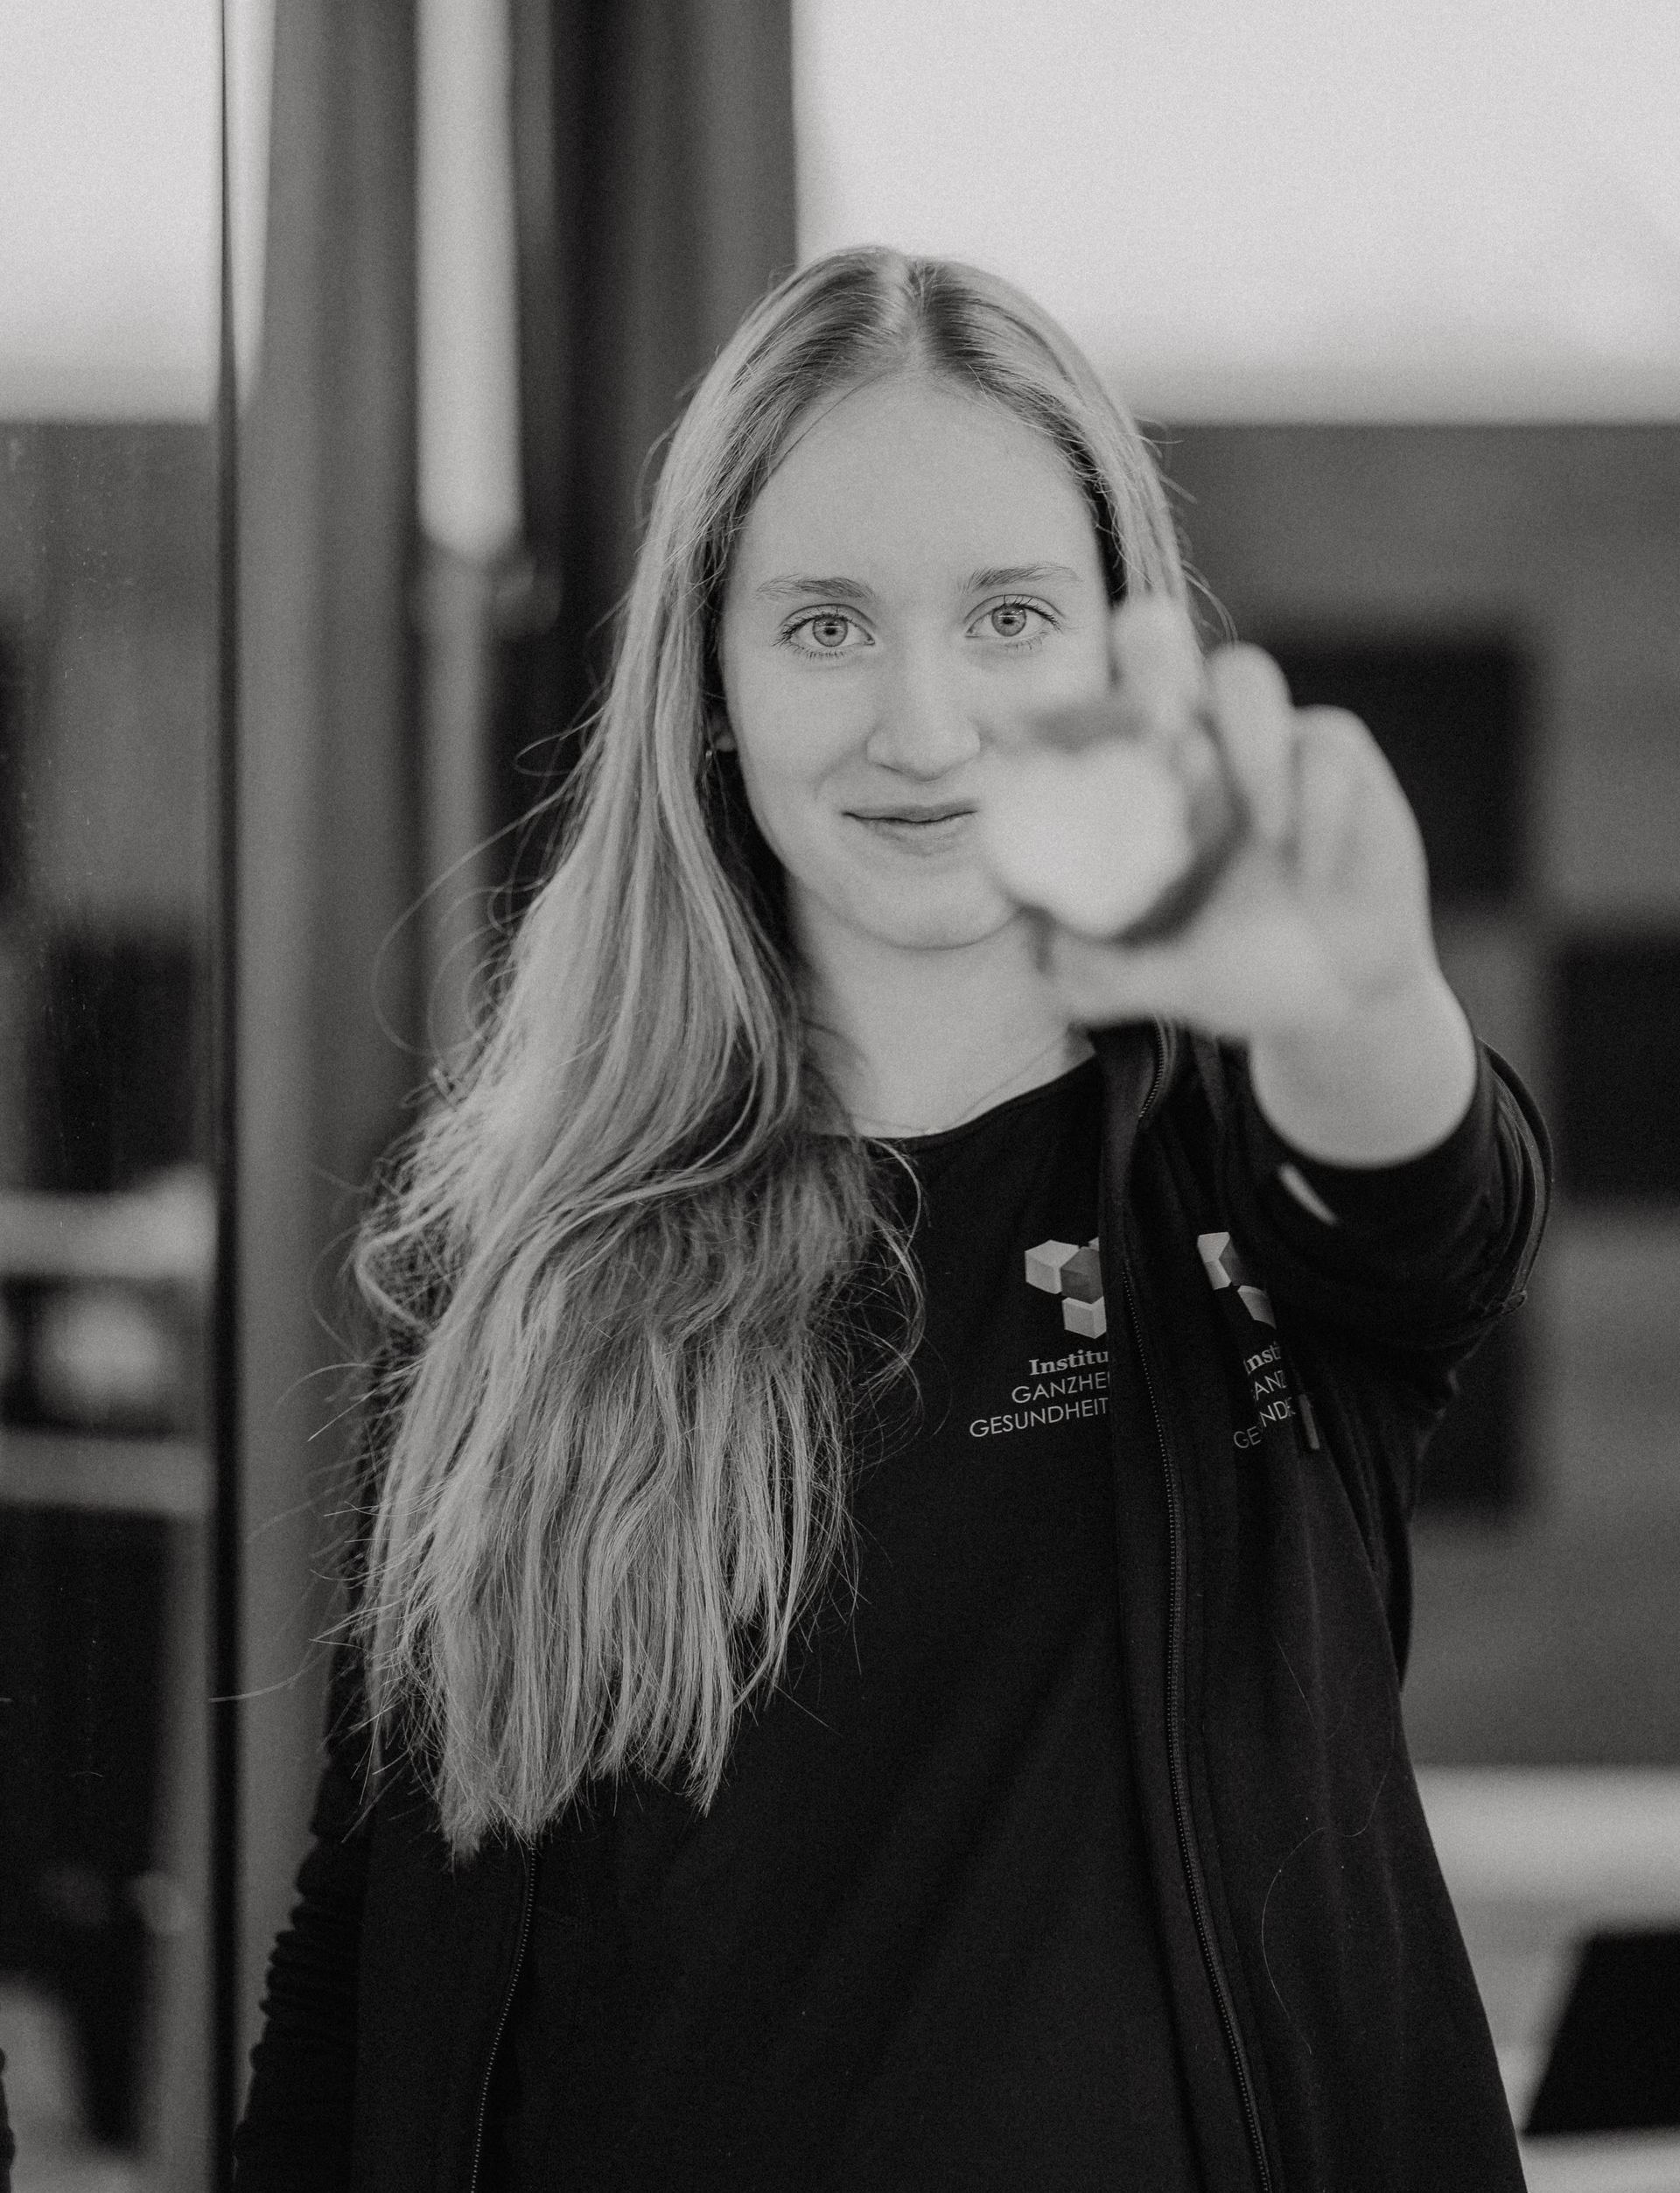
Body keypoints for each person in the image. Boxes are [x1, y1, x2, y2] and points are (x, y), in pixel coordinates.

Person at [231, 247, 1549, 2191]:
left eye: (1010, 616)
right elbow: (361, 1962)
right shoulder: (507, 1254)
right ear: (712, 683)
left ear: (1117, 655)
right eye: (827, 625)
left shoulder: (1234, 1161)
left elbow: (1431, 1199)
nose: (923, 725)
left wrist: (1349, 997)